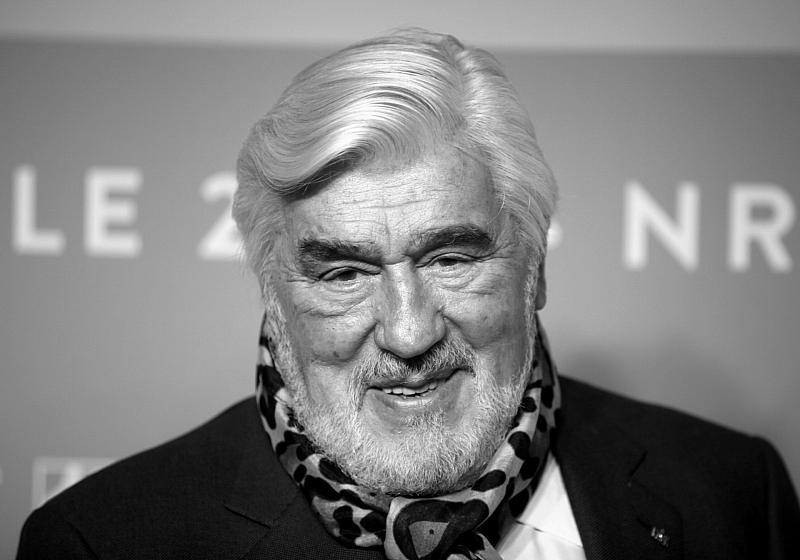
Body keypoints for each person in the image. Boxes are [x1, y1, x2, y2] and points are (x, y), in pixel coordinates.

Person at [17, 29, 799, 560]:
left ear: (534, 270)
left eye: (451, 257)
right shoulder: (106, 541)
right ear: (273, 299)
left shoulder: (735, 495)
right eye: (343, 273)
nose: (408, 332)